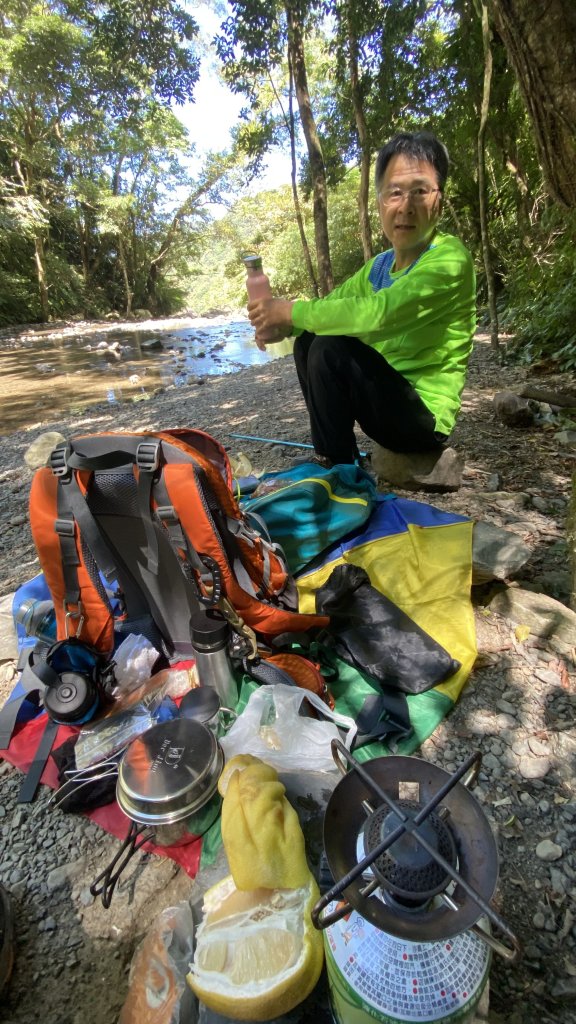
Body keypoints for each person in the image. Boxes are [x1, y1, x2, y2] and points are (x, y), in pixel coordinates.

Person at [247, 130, 476, 467]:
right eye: (395, 193)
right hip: (385, 402)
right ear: (380, 201)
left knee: (330, 348)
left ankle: (341, 474)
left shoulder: (449, 259)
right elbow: (330, 308)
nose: (406, 206)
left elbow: (379, 315)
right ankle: (337, 459)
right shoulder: (379, 266)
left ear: (438, 200)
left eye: (420, 191)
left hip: (423, 418)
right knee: (311, 340)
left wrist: (290, 312)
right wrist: (283, 326)